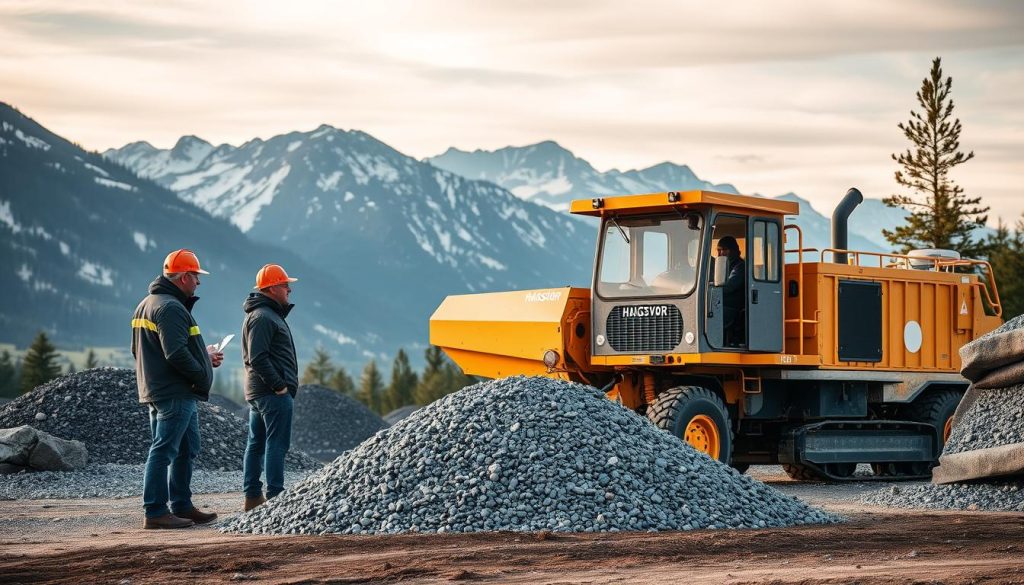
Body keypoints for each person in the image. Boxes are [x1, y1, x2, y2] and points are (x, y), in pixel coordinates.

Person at [132, 249, 223, 529]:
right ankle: (156, 511)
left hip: (161, 389)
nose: (198, 283)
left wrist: (203, 358)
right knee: (164, 450)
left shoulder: (147, 304)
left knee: (186, 448)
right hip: (175, 392)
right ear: (184, 277)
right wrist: (201, 373)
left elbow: (141, 350)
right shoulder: (171, 307)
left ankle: (181, 505)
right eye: (196, 277)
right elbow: (175, 353)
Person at [241, 264, 299, 512]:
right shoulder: (264, 317)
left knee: (257, 444)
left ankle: (253, 497)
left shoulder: (264, 314)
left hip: (260, 392)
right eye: (286, 285)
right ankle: (276, 497)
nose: (289, 290)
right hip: (271, 393)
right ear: (273, 288)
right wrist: (280, 386)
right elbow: (258, 357)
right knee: (276, 443)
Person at [717, 236, 746, 347]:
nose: (720, 254)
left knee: (712, 313)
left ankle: (717, 343)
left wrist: (712, 288)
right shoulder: (724, 266)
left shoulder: (740, 267)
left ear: (732, 250)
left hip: (734, 307)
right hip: (723, 304)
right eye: (718, 250)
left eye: (723, 250)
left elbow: (729, 286)